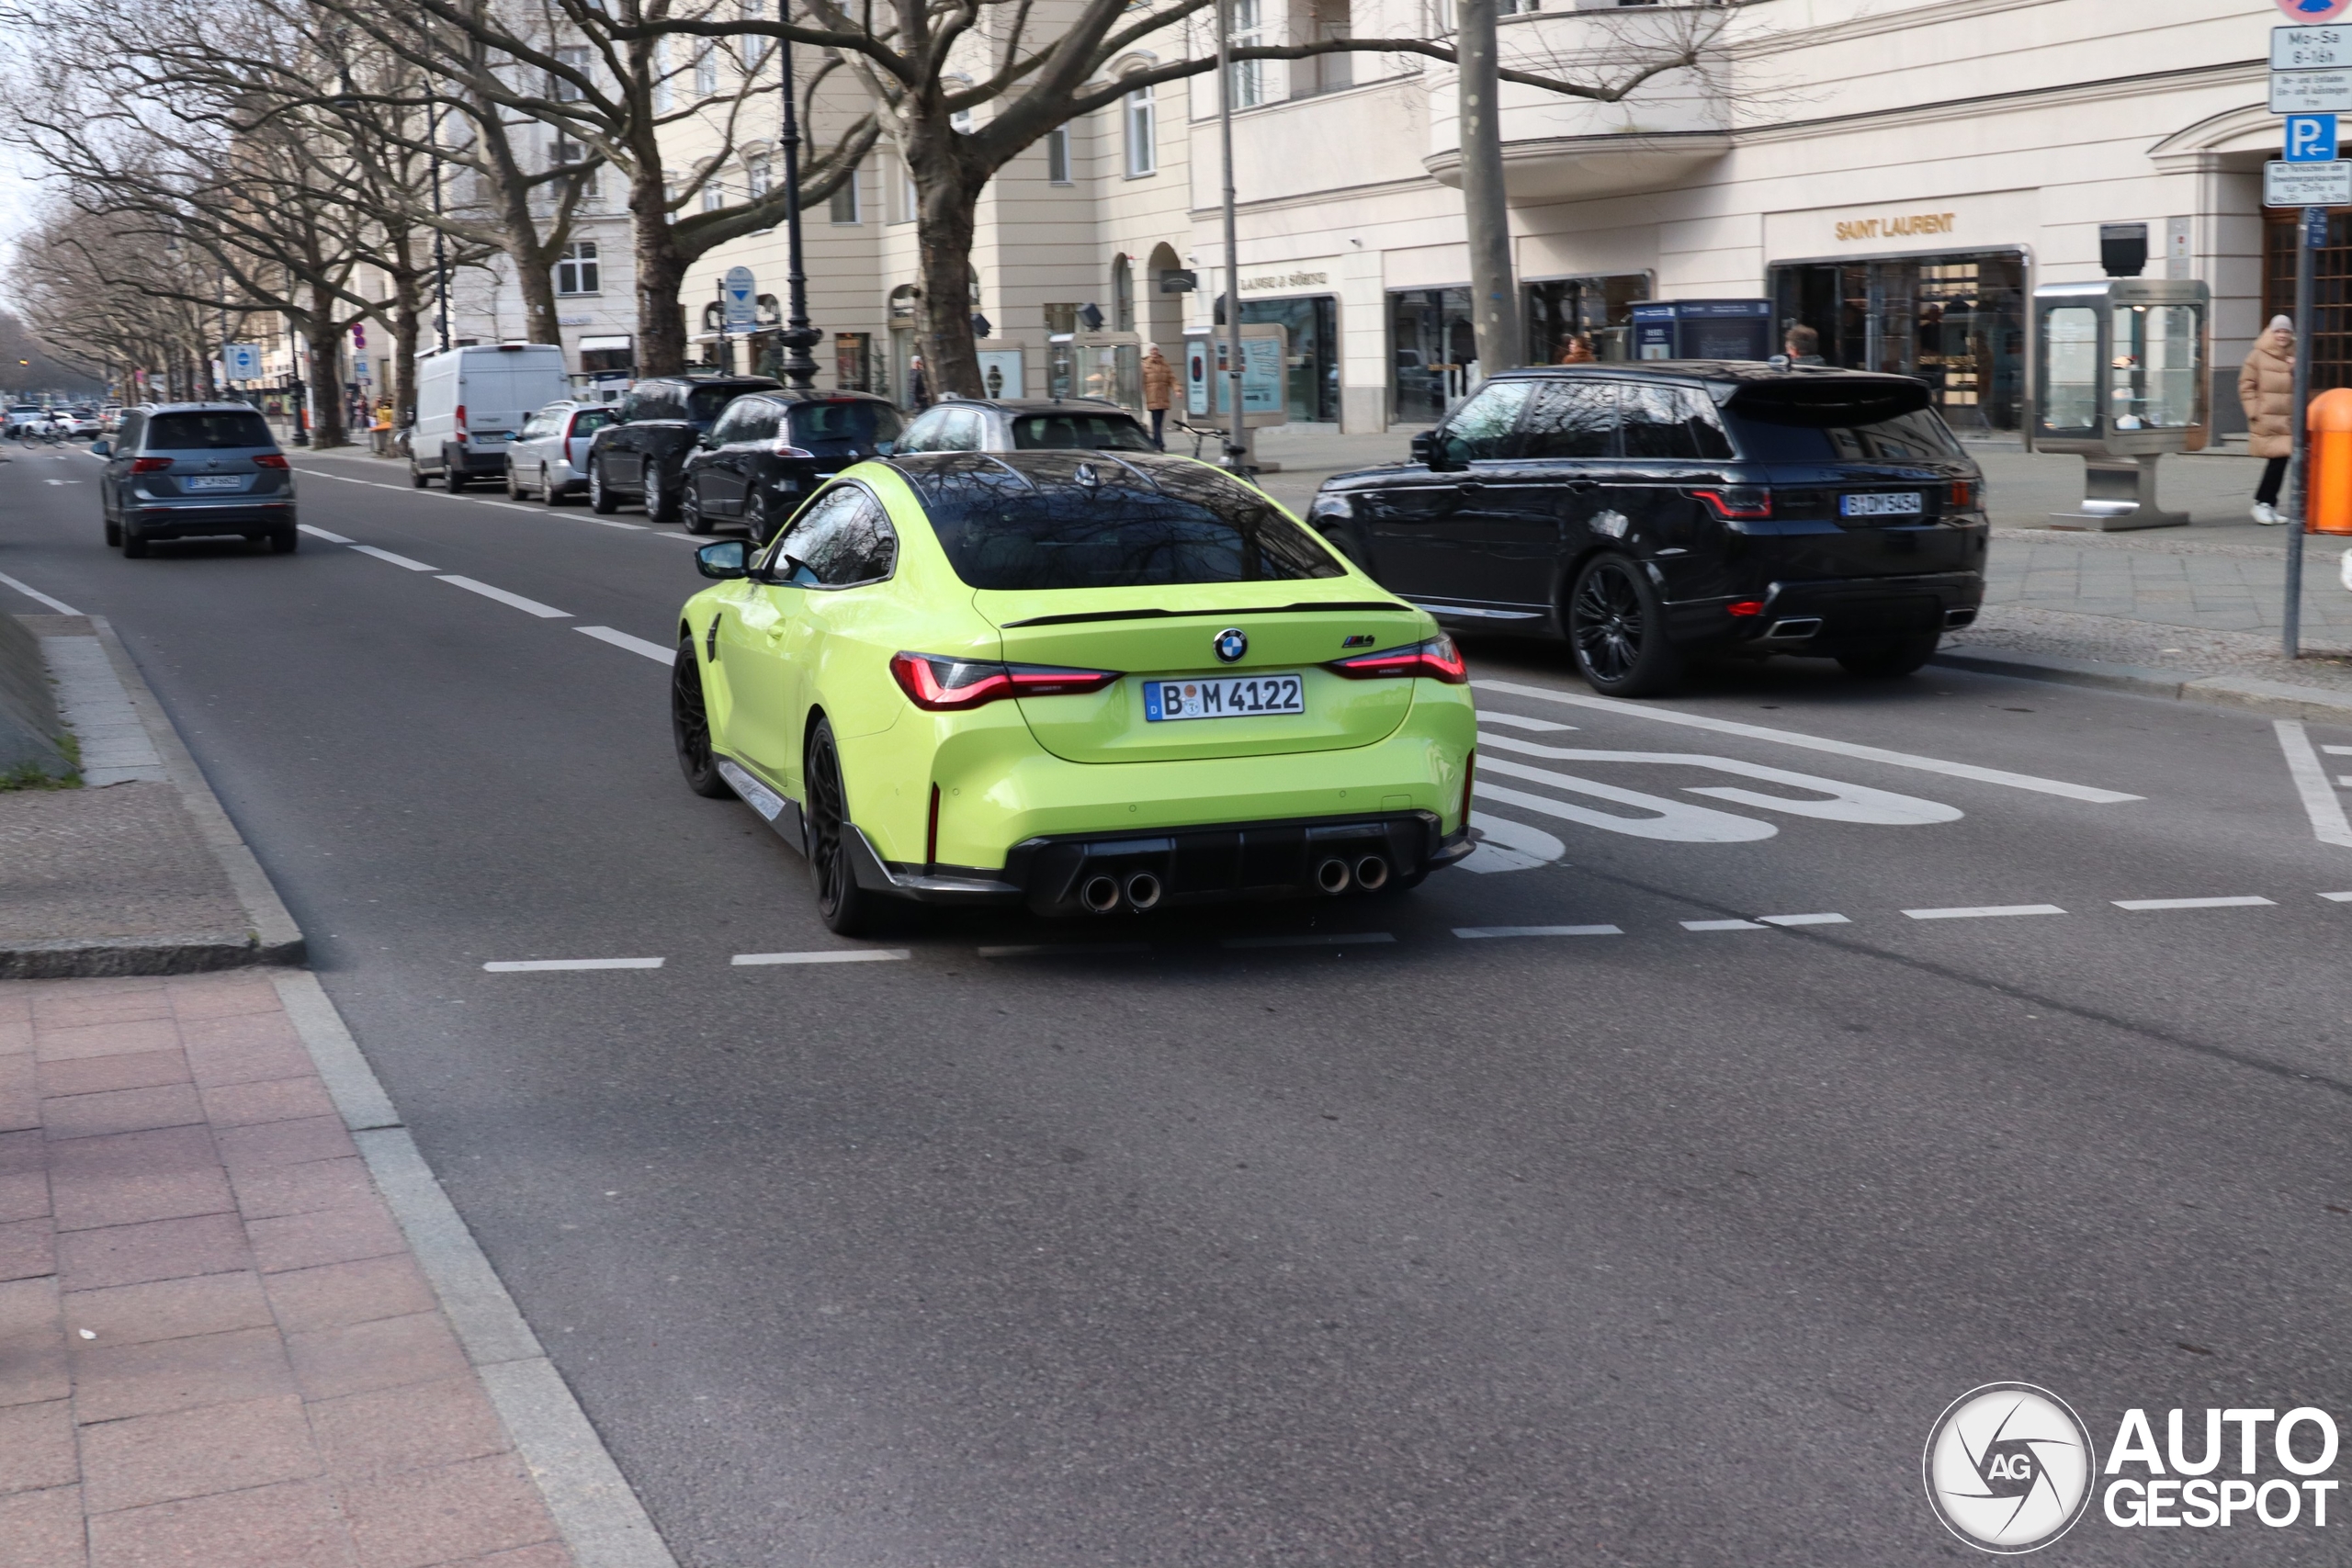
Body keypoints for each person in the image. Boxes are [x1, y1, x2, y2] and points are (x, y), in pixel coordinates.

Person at [2240, 315, 2295, 525]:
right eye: (2278, 331)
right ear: (2271, 332)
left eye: (2286, 332)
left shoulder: (2294, 354)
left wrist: (2295, 369)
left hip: (2287, 420)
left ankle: (2267, 504)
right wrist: (2254, 411)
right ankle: (2262, 504)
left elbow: (2303, 384)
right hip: (2268, 418)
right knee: (2278, 461)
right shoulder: (2257, 355)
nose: (2282, 335)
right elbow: (2246, 384)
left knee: (2280, 461)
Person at [1141, 344, 1175, 448]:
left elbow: (1172, 378)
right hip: (1152, 397)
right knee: (1156, 420)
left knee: (1159, 421)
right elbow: (1141, 381)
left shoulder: (1165, 364)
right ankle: (1159, 443)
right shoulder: (1145, 365)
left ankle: (1156, 442)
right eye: (1152, 350)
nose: (1154, 351)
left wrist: (1177, 389)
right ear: (1149, 352)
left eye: (1156, 349)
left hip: (1163, 397)